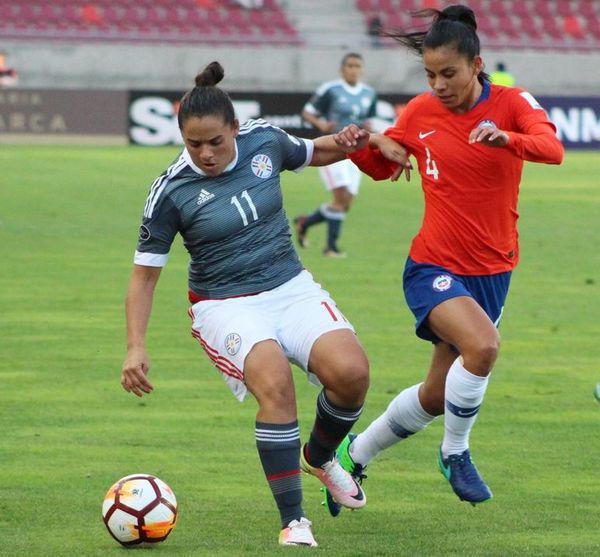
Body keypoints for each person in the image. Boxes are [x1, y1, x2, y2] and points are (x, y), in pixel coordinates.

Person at [120, 61, 371, 547]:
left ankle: (319, 458)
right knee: (275, 382)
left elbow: (312, 151)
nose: (205, 154)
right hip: (224, 303)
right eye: (193, 144)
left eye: (215, 141)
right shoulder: (170, 191)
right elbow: (143, 277)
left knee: (352, 374)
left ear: (235, 128)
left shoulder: (264, 140)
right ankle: (294, 520)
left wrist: (346, 143)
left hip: (290, 285)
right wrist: (135, 346)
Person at [326, 4, 563, 513]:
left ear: (477, 66)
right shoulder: (419, 112)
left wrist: (509, 138)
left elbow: (551, 147)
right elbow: (383, 167)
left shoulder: (512, 102)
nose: (438, 84)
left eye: (448, 73)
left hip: (494, 270)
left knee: (437, 395)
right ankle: (455, 452)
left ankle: (353, 454)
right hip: (433, 265)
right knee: (484, 347)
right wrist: (369, 144)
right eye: (430, 75)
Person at [294, 53, 378, 258]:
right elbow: (308, 111)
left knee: (346, 202)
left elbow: (369, 119)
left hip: (357, 152)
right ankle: (330, 248)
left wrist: (368, 127)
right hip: (334, 150)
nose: (353, 69)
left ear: (362, 69)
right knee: (340, 198)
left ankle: (305, 222)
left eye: (357, 66)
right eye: (349, 66)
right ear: (342, 69)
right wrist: (322, 125)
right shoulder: (330, 90)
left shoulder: (369, 93)